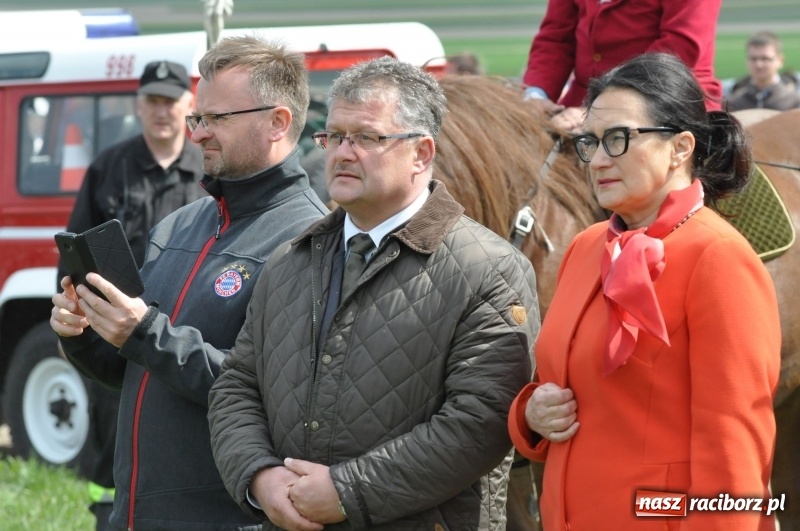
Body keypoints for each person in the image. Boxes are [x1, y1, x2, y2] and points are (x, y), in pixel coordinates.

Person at [207, 56, 540, 531]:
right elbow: (237, 385)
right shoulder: (290, 261)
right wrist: (259, 477)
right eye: (334, 136)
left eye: (366, 137)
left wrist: (346, 492)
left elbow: (481, 421)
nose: (342, 152)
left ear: (422, 153)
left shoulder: (488, 269)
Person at [50, 35, 328, 530]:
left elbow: (274, 395)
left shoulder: (308, 239)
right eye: (197, 119)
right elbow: (135, 369)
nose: (197, 134)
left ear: (278, 123)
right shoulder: (179, 225)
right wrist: (87, 333)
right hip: (133, 515)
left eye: (217, 119)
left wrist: (144, 332)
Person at [508, 52, 781, 530]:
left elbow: (735, 454)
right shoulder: (584, 247)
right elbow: (560, 384)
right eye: (589, 143)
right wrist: (530, 414)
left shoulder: (719, 258)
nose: (597, 160)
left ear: (680, 148)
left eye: (618, 139)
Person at [55, 59, 204, 531]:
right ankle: (108, 514)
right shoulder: (109, 168)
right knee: (112, 436)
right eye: (153, 101)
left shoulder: (207, 169)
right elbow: (75, 251)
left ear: (189, 105)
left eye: (171, 101)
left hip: (185, 332)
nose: (162, 112)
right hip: (112, 338)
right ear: (139, 107)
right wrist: (74, 314)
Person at [522, 0, 723, 131]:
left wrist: (601, 110)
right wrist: (537, 95)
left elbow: (679, 46)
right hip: (580, 103)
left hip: (665, 98)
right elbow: (556, 37)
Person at [726, 31, 800, 111]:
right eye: (753, 59)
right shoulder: (734, 103)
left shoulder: (794, 103)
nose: (758, 65)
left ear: (780, 60)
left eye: (765, 59)